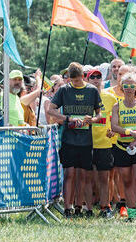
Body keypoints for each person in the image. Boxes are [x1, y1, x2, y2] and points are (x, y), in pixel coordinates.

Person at [46, 62, 103, 217]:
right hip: (68, 139)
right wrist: (67, 118)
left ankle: (82, 206)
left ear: (83, 77)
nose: (75, 83)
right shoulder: (64, 90)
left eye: (77, 80)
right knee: (69, 173)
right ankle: (68, 207)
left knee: (84, 175)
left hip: (86, 140)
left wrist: (91, 119)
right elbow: (50, 110)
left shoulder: (92, 90)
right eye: (72, 81)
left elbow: (100, 115)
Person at [108, 73, 136, 220]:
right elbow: (114, 126)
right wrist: (129, 132)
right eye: (126, 86)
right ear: (122, 87)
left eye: (132, 86)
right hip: (122, 147)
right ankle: (131, 214)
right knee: (127, 181)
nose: (129, 88)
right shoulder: (117, 106)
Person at [86, 67, 119, 218]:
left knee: (105, 178)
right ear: (87, 80)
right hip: (87, 142)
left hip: (105, 143)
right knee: (88, 178)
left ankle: (105, 207)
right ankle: (88, 209)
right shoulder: (83, 96)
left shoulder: (110, 97)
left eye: (98, 77)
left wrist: (114, 130)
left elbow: (116, 118)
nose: (96, 80)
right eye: (92, 77)